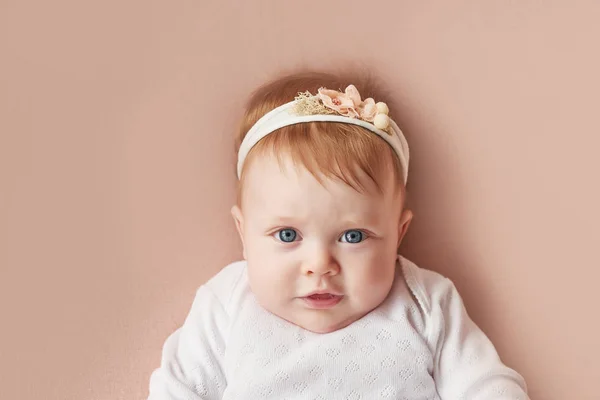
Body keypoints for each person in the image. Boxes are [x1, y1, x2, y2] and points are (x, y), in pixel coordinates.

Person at [147, 72, 529, 399]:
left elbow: (485, 384)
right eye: (286, 234)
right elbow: (178, 388)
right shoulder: (228, 302)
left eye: (352, 237)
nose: (319, 266)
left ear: (399, 233)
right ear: (243, 233)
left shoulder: (425, 301)